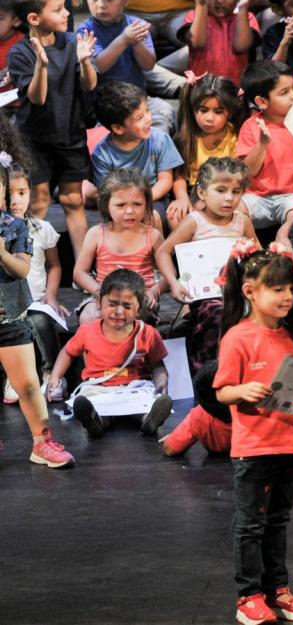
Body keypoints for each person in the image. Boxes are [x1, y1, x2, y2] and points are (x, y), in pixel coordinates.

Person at [213, 241, 293, 625]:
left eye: (291, 288)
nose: (288, 296)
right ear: (250, 292)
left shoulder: (292, 335)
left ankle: (279, 590)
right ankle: (248, 596)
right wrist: (241, 391)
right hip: (254, 448)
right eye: (277, 289)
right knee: (251, 523)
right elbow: (222, 391)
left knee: (278, 522)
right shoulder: (238, 338)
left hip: (290, 445)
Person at [5, 0, 96, 256]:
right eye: (58, 10)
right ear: (34, 18)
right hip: (35, 139)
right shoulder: (20, 53)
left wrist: (85, 61)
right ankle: (36, 267)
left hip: (70, 134)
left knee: (72, 198)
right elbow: (37, 98)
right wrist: (41, 66)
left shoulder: (72, 42)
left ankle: (82, 267)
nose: (67, 13)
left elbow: (89, 85)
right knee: (40, 199)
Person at [0, 151, 73, 468]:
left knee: (28, 383)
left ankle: (42, 442)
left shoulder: (14, 227)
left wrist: (0, 253)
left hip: (10, 314)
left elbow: (20, 269)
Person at [156, 157, 256, 371]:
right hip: (206, 296)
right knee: (218, 312)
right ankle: (209, 371)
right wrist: (174, 284)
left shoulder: (242, 222)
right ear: (202, 192)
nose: (229, 198)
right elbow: (163, 251)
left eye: (236, 192)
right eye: (220, 190)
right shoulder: (194, 221)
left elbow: (258, 255)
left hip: (238, 291)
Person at [49, 268, 171, 440]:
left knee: (148, 400)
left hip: (135, 387)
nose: (118, 311)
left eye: (127, 306)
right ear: (99, 303)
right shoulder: (87, 331)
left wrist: (161, 381)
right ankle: (96, 422)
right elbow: (67, 352)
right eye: (112, 304)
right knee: (90, 400)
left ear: (139, 308)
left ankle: (149, 421)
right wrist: (56, 376)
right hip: (99, 388)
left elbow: (157, 365)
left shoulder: (148, 333)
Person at [76, 0, 176, 134]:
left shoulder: (136, 26)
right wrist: (123, 40)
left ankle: (152, 155)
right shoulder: (86, 30)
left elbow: (148, 64)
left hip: (139, 100)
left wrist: (135, 41)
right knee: (106, 134)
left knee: (165, 111)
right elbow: (99, 66)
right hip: (107, 106)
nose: (100, 5)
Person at [72, 169, 166, 324]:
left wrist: (153, 292)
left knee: (131, 315)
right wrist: (99, 292)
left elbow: (169, 275)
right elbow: (79, 272)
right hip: (104, 296)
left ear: (147, 204)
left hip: (139, 299)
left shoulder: (153, 235)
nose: (129, 211)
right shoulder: (96, 234)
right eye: (121, 205)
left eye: (137, 204)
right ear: (106, 205)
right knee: (89, 317)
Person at [6, 163, 66, 381]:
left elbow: (55, 266)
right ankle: (12, 379)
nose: (15, 200)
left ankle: (52, 372)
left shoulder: (42, 229)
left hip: (35, 301)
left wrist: (50, 294)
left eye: (21, 193)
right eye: (8, 193)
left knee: (39, 321)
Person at [89, 81, 183, 207]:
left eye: (147, 111)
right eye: (140, 118)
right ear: (118, 128)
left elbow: (165, 181)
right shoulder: (101, 155)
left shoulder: (160, 140)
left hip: (153, 199)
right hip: (120, 204)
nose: (149, 118)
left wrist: (142, 200)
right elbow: (107, 192)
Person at [168, 73, 244, 227]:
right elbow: (179, 175)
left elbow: (238, 175)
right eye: (203, 110)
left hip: (224, 191)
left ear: (229, 112)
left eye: (218, 112)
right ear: (194, 109)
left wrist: (210, 202)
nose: (209, 118)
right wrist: (182, 198)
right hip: (193, 191)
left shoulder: (235, 136)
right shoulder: (186, 136)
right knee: (176, 217)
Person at [236, 61, 293, 232]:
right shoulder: (251, 126)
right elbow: (249, 171)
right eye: (284, 92)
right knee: (235, 212)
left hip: (292, 196)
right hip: (257, 197)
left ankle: (283, 239)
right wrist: (262, 143)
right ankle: (251, 249)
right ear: (262, 101)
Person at [179, 0, 260, 82]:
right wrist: (201, 4)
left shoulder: (247, 17)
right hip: (202, 88)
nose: (219, 0)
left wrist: (243, 8)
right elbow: (197, 43)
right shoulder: (194, 16)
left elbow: (241, 46)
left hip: (235, 89)